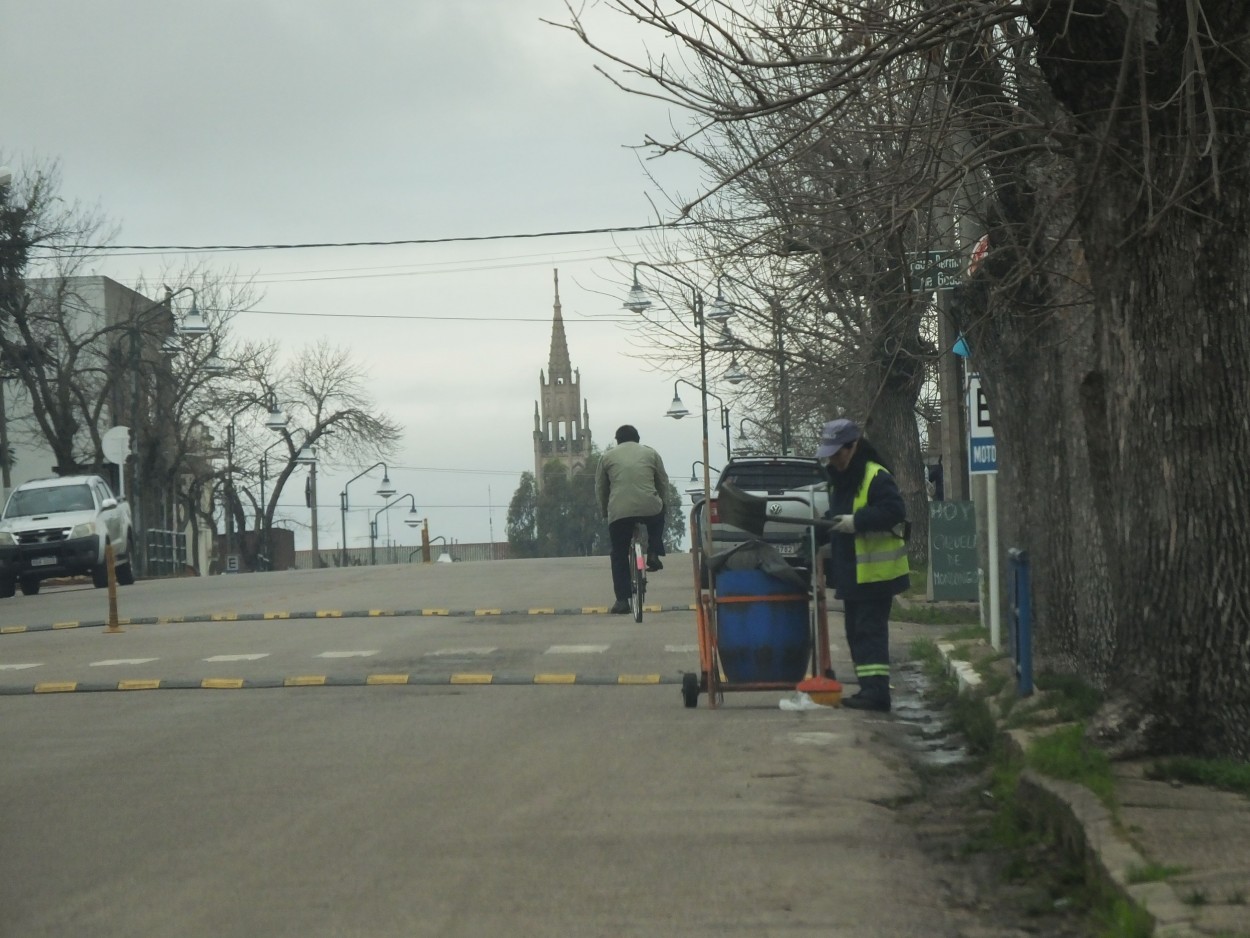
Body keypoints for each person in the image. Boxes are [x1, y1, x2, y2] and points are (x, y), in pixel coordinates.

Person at [816, 418, 909, 711]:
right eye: (828, 452)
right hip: (853, 572)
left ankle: (877, 693)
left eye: (837, 452)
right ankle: (868, 688)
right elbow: (840, 513)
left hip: (876, 573)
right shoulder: (840, 478)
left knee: (870, 633)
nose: (832, 458)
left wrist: (857, 522)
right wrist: (823, 527)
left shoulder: (874, 475)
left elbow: (894, 511)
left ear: (853, 446)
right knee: (856, 633)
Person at [595, 424, 669, 615]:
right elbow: (662, 481)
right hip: (649, 507)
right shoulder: (651, 454)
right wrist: (664, 504)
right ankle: (653, 553)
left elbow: (601, 489)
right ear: (637, 439)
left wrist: (605, 512)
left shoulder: (607, 457)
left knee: (619, 554)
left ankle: (622, 601)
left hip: (619, 512)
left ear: (617, 441)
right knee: (657, 516)